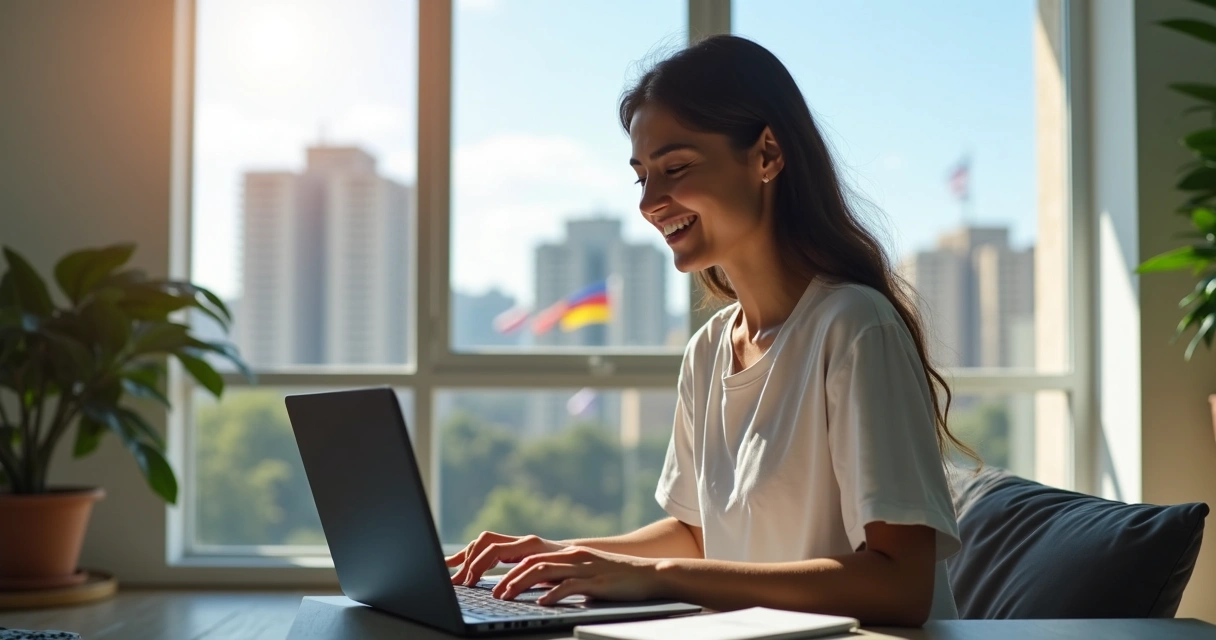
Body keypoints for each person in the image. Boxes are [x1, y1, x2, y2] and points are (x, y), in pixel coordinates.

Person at [445, 34, 977, 626]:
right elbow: (698, 537)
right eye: (641, 176)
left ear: (768, 155)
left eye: (675, 168)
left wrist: (655, 577)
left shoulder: (854, 327)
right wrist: (563, 556)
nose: (651, 201)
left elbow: (900, 583)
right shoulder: (708, 348)